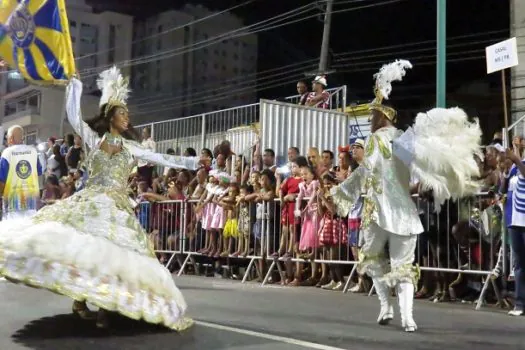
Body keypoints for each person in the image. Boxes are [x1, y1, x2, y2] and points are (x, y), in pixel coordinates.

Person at [0, 67, 199, 331]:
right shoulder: (94, 139)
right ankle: (81, 302)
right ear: (111, 117)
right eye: (122, 113)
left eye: (127, 114)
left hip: (117, 208)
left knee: (112, 256)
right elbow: (74, 116)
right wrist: (75, 86)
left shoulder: (131, 147)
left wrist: (195, 162)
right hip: (91, 203)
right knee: (87, 252)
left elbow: (163, 159)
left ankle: (105, 308)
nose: (127, 118)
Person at [331, 60, 481, 333]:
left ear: (380, 117)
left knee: (374, 258)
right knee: (402, 265)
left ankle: (388, 306)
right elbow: (426, 168)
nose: (369, 121)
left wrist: (340, 193)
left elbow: (367, 172)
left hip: (378, 213)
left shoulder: (380, 140)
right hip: (402, 215)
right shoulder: (405, 140)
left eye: (371, 117)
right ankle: (405, 315)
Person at [0, 125, 43, 220]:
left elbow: (1, 180)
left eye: (7, 138)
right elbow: (39, 173)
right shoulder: (33, 151)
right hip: (32, 204)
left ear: (11, 138)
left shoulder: (7, 153)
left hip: (13, 205)